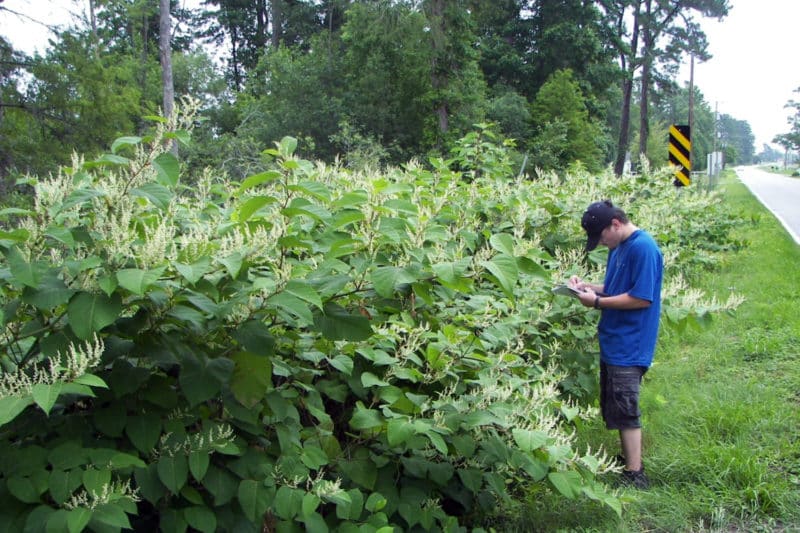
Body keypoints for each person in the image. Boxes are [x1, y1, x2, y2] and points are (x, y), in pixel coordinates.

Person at [569, 200, 663, 489]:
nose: (600, 243)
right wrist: (587, 287)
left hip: (631, 342)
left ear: (616, 224)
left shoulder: (643, 247)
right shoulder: (618, 247)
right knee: (616, 406)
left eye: (601, 236)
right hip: (614, 339)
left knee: (626, 407)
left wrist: (596, 302)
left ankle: (635, 475)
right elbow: (616, 288)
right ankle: (628, 461)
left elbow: (641, 297)